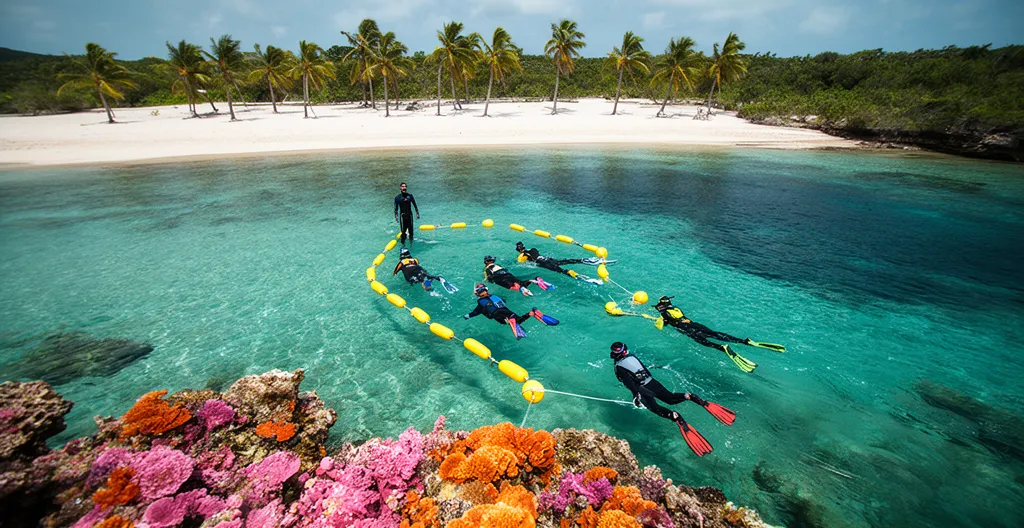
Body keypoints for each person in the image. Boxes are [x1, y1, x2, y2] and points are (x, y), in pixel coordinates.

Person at [610, 341, 735, 456]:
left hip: (642, 389)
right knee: (670, 398)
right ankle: (689, 396)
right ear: (625, 351)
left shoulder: (619, 367)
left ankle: (675, 417)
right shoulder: (632, 357)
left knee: (656, 409)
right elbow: (644, 370)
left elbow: (630, 384)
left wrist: (636, 397)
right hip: (652, 382)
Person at [653, 296, 786, 373]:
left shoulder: (664, 313)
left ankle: (721, 348)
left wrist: (660, 321)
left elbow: (662, 325)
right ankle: (744, 341)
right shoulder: (676, 309)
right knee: (714, 333)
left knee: (705, 342)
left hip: (689, 330)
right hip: (696, 324)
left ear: (661, 306)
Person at [463, 284, 558, 339]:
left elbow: (476, 312)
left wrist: (467, 316)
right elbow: (503, 301)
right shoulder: (495, 296)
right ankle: (532, 313)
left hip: (497, 314)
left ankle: (509, 321)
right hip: (507, 311)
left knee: (504, 321)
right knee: (519, 320)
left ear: (478, 294)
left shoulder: (480, 301)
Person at [514, 242, 605, 284]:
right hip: (548, 259)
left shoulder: (522, 255)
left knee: (563, 271)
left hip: (544, 263)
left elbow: (520, 263)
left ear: (519, 250)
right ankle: (590, 260)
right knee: (566, 261)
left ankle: (585, 280)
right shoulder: (533, 249)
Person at [483, 256, 554, 297]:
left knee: (512, 287)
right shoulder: (497, 265)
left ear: (486, 262)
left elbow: (489, 278)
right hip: (507, 274)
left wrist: (487, 281)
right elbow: (504, 270)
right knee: (521, 283)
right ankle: (534, 280)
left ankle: (521, 289)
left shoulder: (486, 269)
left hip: (499, 277)